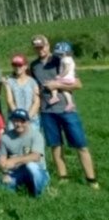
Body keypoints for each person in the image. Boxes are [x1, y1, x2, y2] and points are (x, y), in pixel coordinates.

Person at [30, 35, 98, 188]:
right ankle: (63, 177)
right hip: (47, 111)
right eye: (37, 47)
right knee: (55, 145)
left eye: (43, 46)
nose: (40, 49)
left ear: (48, 45)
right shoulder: (34, 66)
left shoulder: (61, 59)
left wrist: (56, 86)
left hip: (67, 110)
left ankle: (91, 180)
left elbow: (78, 84)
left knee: (81, 145)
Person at [0, 109, 50, 197]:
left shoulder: (36, 135)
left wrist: (14, 160)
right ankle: (23, 188)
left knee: (31, 166)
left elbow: (36, 156)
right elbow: (2, 159)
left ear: (28, 122)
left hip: (38, 171)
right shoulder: (5, 138)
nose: (19, 124)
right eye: (16, 121)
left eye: (22, 121)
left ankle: (37, 195)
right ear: (12, 121)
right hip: (18, 172)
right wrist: (5, 172)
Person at [4, 54, 40, 122]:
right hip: (15, 118)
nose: (17, 67)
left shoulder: (33, 82)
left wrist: (27, 117)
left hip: (31, 118)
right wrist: (18, 116)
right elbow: (10, 101)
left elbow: (36, 102)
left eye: (20, 65)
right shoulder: (9, 81)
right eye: (15, 65)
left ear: (25, 66)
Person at [49, 42, 77, 112]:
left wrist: (60, 76)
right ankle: (70, 103)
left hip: (66, 78)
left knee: (53, 84)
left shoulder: (65, 59)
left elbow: (66, 69)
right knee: (65, 91)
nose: (59, 55)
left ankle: (55, 97)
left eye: (60, 54)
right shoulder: (70, 59)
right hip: (70, 78)